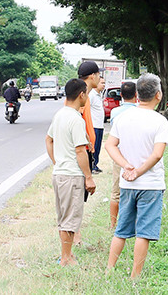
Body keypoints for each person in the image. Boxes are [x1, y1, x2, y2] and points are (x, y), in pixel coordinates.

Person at [105, 74, 168, 279]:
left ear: (137, 94)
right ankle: (135, 276)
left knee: (121, 229)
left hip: (127, 184)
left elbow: (110, 145)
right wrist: (139, 172)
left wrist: (126, 167)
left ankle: (109, 269)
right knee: (144, 232)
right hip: (150, 184)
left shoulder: (123, 118)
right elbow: (157, 154)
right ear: (158, 95)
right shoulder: (159, 121)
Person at [45, 78, 96, 266]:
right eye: (86, 94)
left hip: (59, 174)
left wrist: (56, 161)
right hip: (72, 175)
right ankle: (66, 258)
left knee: (63, 217)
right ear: (81, 94)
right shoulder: (75, 118)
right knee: (70, 218)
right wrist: (88, 177)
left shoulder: (59, 114)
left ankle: (67, 254)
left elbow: (48, 140)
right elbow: (80, 150)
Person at [74, 61, 101, 246]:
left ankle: (76, 236)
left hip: (86, 148)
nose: (100, 78)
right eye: (99, 74)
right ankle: (75, 239)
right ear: (92, 76)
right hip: (80, 150)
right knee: (76, 196)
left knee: (80, 196)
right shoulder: (82, 95)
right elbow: (76, 118)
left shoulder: (87, 94)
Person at [107, 81, 138, 229]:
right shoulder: (140, 111)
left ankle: (114, 224)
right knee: (137, 189)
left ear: (121, 95)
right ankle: (134, 222)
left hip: (118, 155)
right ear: (136, 95)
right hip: (137, 154)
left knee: (116, 191)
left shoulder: (115, 112)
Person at [89, 78, 106, 174]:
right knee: (94, 147)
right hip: (94, 125)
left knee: (98, 146)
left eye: (104, 83)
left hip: (100, 125)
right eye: (102, 83)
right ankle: (92, 166)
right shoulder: (91, 94)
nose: (103, 85)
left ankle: (95, 164)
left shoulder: (99, 95)